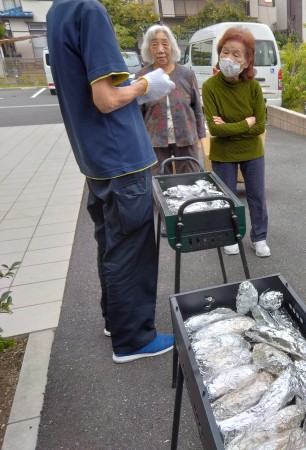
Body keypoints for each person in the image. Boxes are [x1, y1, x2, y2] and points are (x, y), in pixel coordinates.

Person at [46, 0, 176, 363]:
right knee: (132, 250)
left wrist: (134, 85)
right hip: (121, 158)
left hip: (97, 159)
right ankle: (133, 339)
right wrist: (145, 84)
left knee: (112, 246)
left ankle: (116, 322)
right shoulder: (89, 10)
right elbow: (105, 99)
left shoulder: (58, 12)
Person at [202, 26, 270, 258]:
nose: (229, 58)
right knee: (226, 198)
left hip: (252, 152)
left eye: (236, 54)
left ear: (247, 61)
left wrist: (229, 129)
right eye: (225, 52)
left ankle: (259, 237)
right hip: (223, 154)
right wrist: (245, 123)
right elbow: (214, 129)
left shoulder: (253, 87)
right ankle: (230, 235)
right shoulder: (210, 87)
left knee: (257, 197)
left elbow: (260, 126)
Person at [137, 24, 206, 175]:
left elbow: (197, 107)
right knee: (159, 181)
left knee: (190, 179)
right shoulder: (142, 77)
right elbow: (138, 114)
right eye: (154, 45)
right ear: (148, 48)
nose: (160, 50)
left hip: (186, 136)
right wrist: (139, 140)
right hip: (154, 140)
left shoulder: (187, 74)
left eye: (165, 44)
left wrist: (201, 136)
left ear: (172, 47)